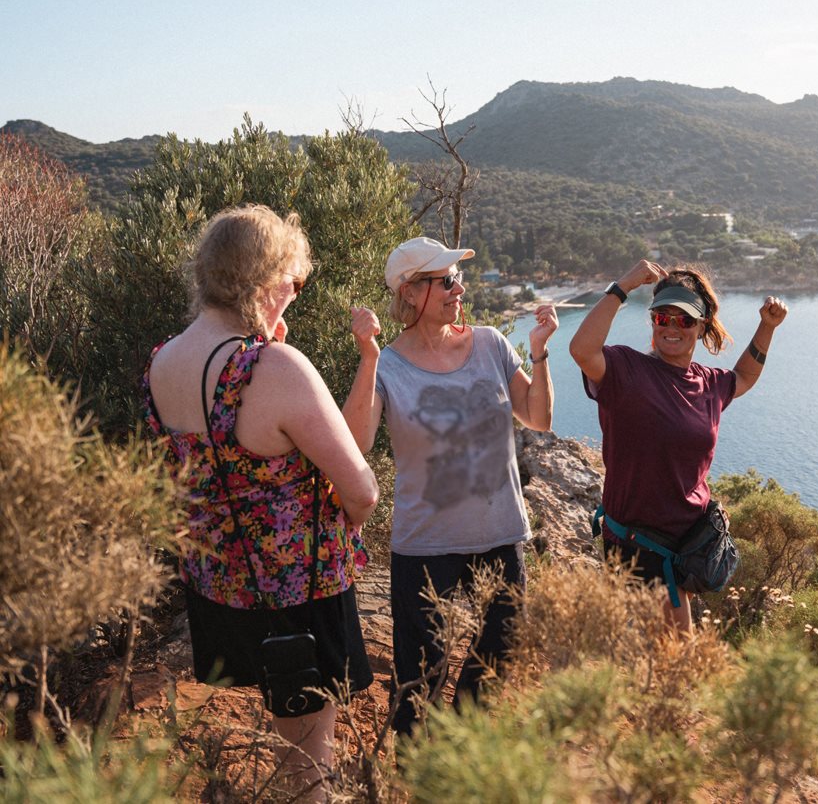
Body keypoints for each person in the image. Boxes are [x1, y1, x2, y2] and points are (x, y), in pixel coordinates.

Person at [143, 205, 378, 802]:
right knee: (310, 767)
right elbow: (363, 490)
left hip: (219, 589)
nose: (293, 299)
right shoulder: (272, 367)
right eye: (294, 285)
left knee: (290, 740)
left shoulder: (161, 362)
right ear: (268, 280)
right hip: (300, 596)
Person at [342, 236, 557, 735]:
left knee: (494, 663)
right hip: (425, 548)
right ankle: (413, 778)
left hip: (501, 537)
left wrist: (540, 353)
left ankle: (457, 756)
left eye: (458, 278)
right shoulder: (388, 366)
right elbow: (355, 443)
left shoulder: (490, 344)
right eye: (447, 281)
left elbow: (539, 417)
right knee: (417, 685)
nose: (459, 289)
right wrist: (368, 357)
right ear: (412, 293)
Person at [569, 260, 787, 631]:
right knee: (669, 667)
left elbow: (744, 376)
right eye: (662, 318)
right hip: (641, 549)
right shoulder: (625, 369)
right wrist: (624, 284)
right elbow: (582, 349)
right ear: (652, 321)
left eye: (684, 320)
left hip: (686, 549)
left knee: (662, 667)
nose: (672, 327)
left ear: (702, 326)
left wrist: (766, 327)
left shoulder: (709, 384)